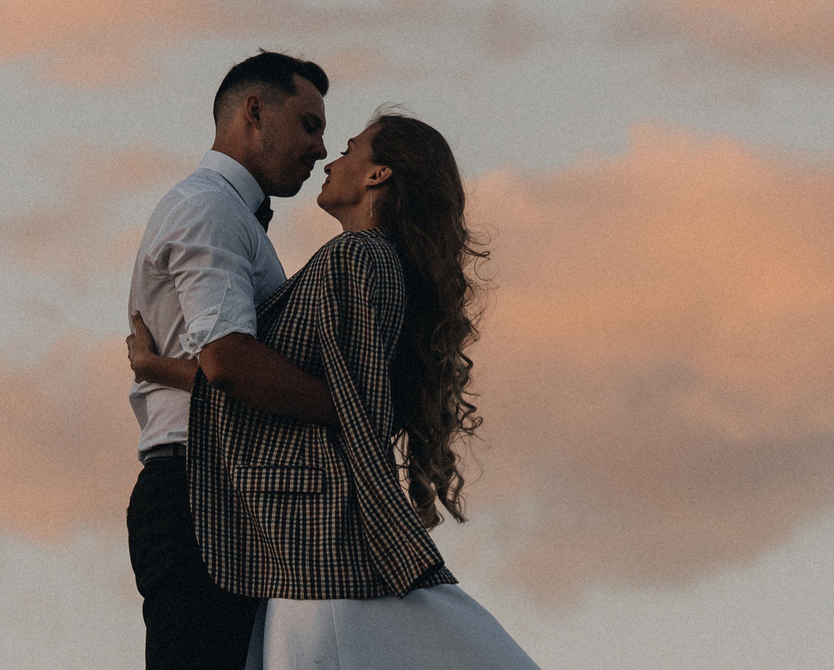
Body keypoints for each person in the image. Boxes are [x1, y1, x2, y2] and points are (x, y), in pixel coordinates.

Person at [129, 112, 540, 669]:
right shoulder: (369, 261)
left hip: (318, 539)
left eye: (348, 149)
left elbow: (338, 401)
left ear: (377, 175)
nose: (329, 159)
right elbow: (314, 388)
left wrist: (158, 367)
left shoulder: (356, 257)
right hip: (302, 537)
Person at [127, 51, 334, 670]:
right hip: (200, 491)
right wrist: (347, 410)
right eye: (309, 125)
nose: (320, 149)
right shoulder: (210, 210)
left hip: (222, 488)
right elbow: (230, 363)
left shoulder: (226, 214)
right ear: (255, 112)